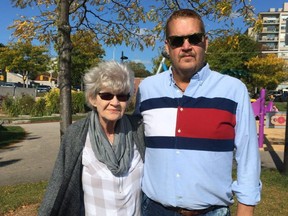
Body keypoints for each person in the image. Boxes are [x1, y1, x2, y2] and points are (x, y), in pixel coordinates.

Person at [135, 9, 261, 216]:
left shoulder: (233, 90)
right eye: (177, 41)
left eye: (194, 38)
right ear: (167, 46)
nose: (186, 47)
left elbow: (248, 158)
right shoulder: (147, 89)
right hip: (154, 209)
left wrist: (246, 210)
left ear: (205, 42)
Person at [39, 61, 145, 216]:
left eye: (122, 96)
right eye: (107, 95)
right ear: (93, 98)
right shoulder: (76, 134)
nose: (115, 102)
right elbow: (58, 187)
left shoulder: (139, 130)